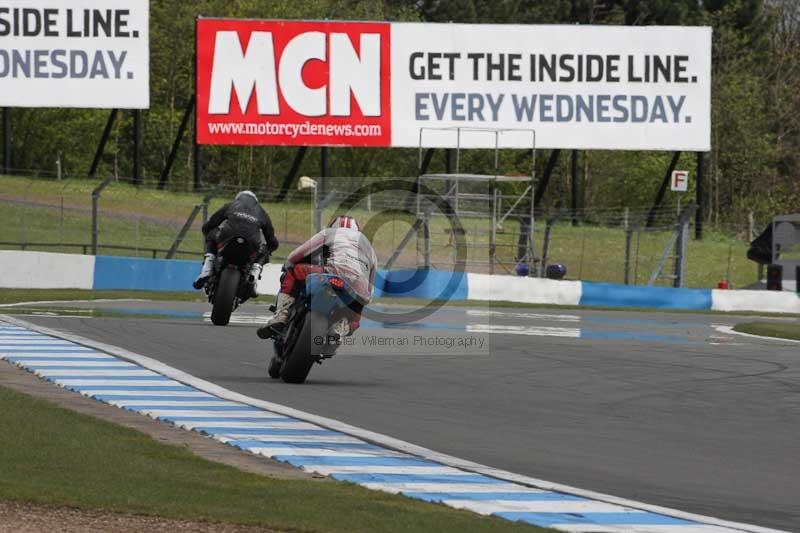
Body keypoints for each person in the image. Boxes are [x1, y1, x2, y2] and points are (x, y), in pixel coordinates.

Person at [257, 215, 377, 339]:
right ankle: (342, 327)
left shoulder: (329, 233)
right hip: (358, 286)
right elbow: (371, 284)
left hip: (332, 272)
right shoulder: (369, 247)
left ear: (333, 226)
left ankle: (281, 315)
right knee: (356, 317)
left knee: (293, 272)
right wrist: (364, 298)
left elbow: (299, 253)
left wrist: (289, 263)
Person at [193, 190, 279, 295]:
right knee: (264, 250)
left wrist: (207, 232)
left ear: (238, 198)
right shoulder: (262, 212)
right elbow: (271, 239)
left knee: (211, 233)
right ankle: (254, 275)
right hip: (252, 242)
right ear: (255, 201)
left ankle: (207, 268)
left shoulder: (230, 205)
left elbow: (211, 223)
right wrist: (271, 247)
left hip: (228, 236)